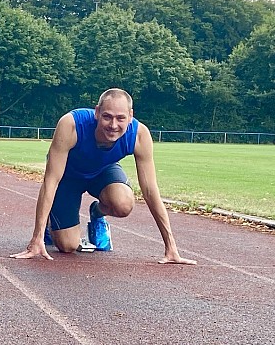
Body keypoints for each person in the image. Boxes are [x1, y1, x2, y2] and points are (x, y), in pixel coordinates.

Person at [10, 88, 195, 264]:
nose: (113, 125)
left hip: (102, 171)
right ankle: (52, 224)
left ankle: (97, 213)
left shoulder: (139, 135)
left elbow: (150, 191)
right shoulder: (72, 125)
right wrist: (37, 237)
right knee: (67, 246)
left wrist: (171, 247)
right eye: (107, 117)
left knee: (124, 204)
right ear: (97, 112)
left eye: (120, 118)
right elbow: (51, 181)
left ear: (131, 116)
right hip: (68, 177)